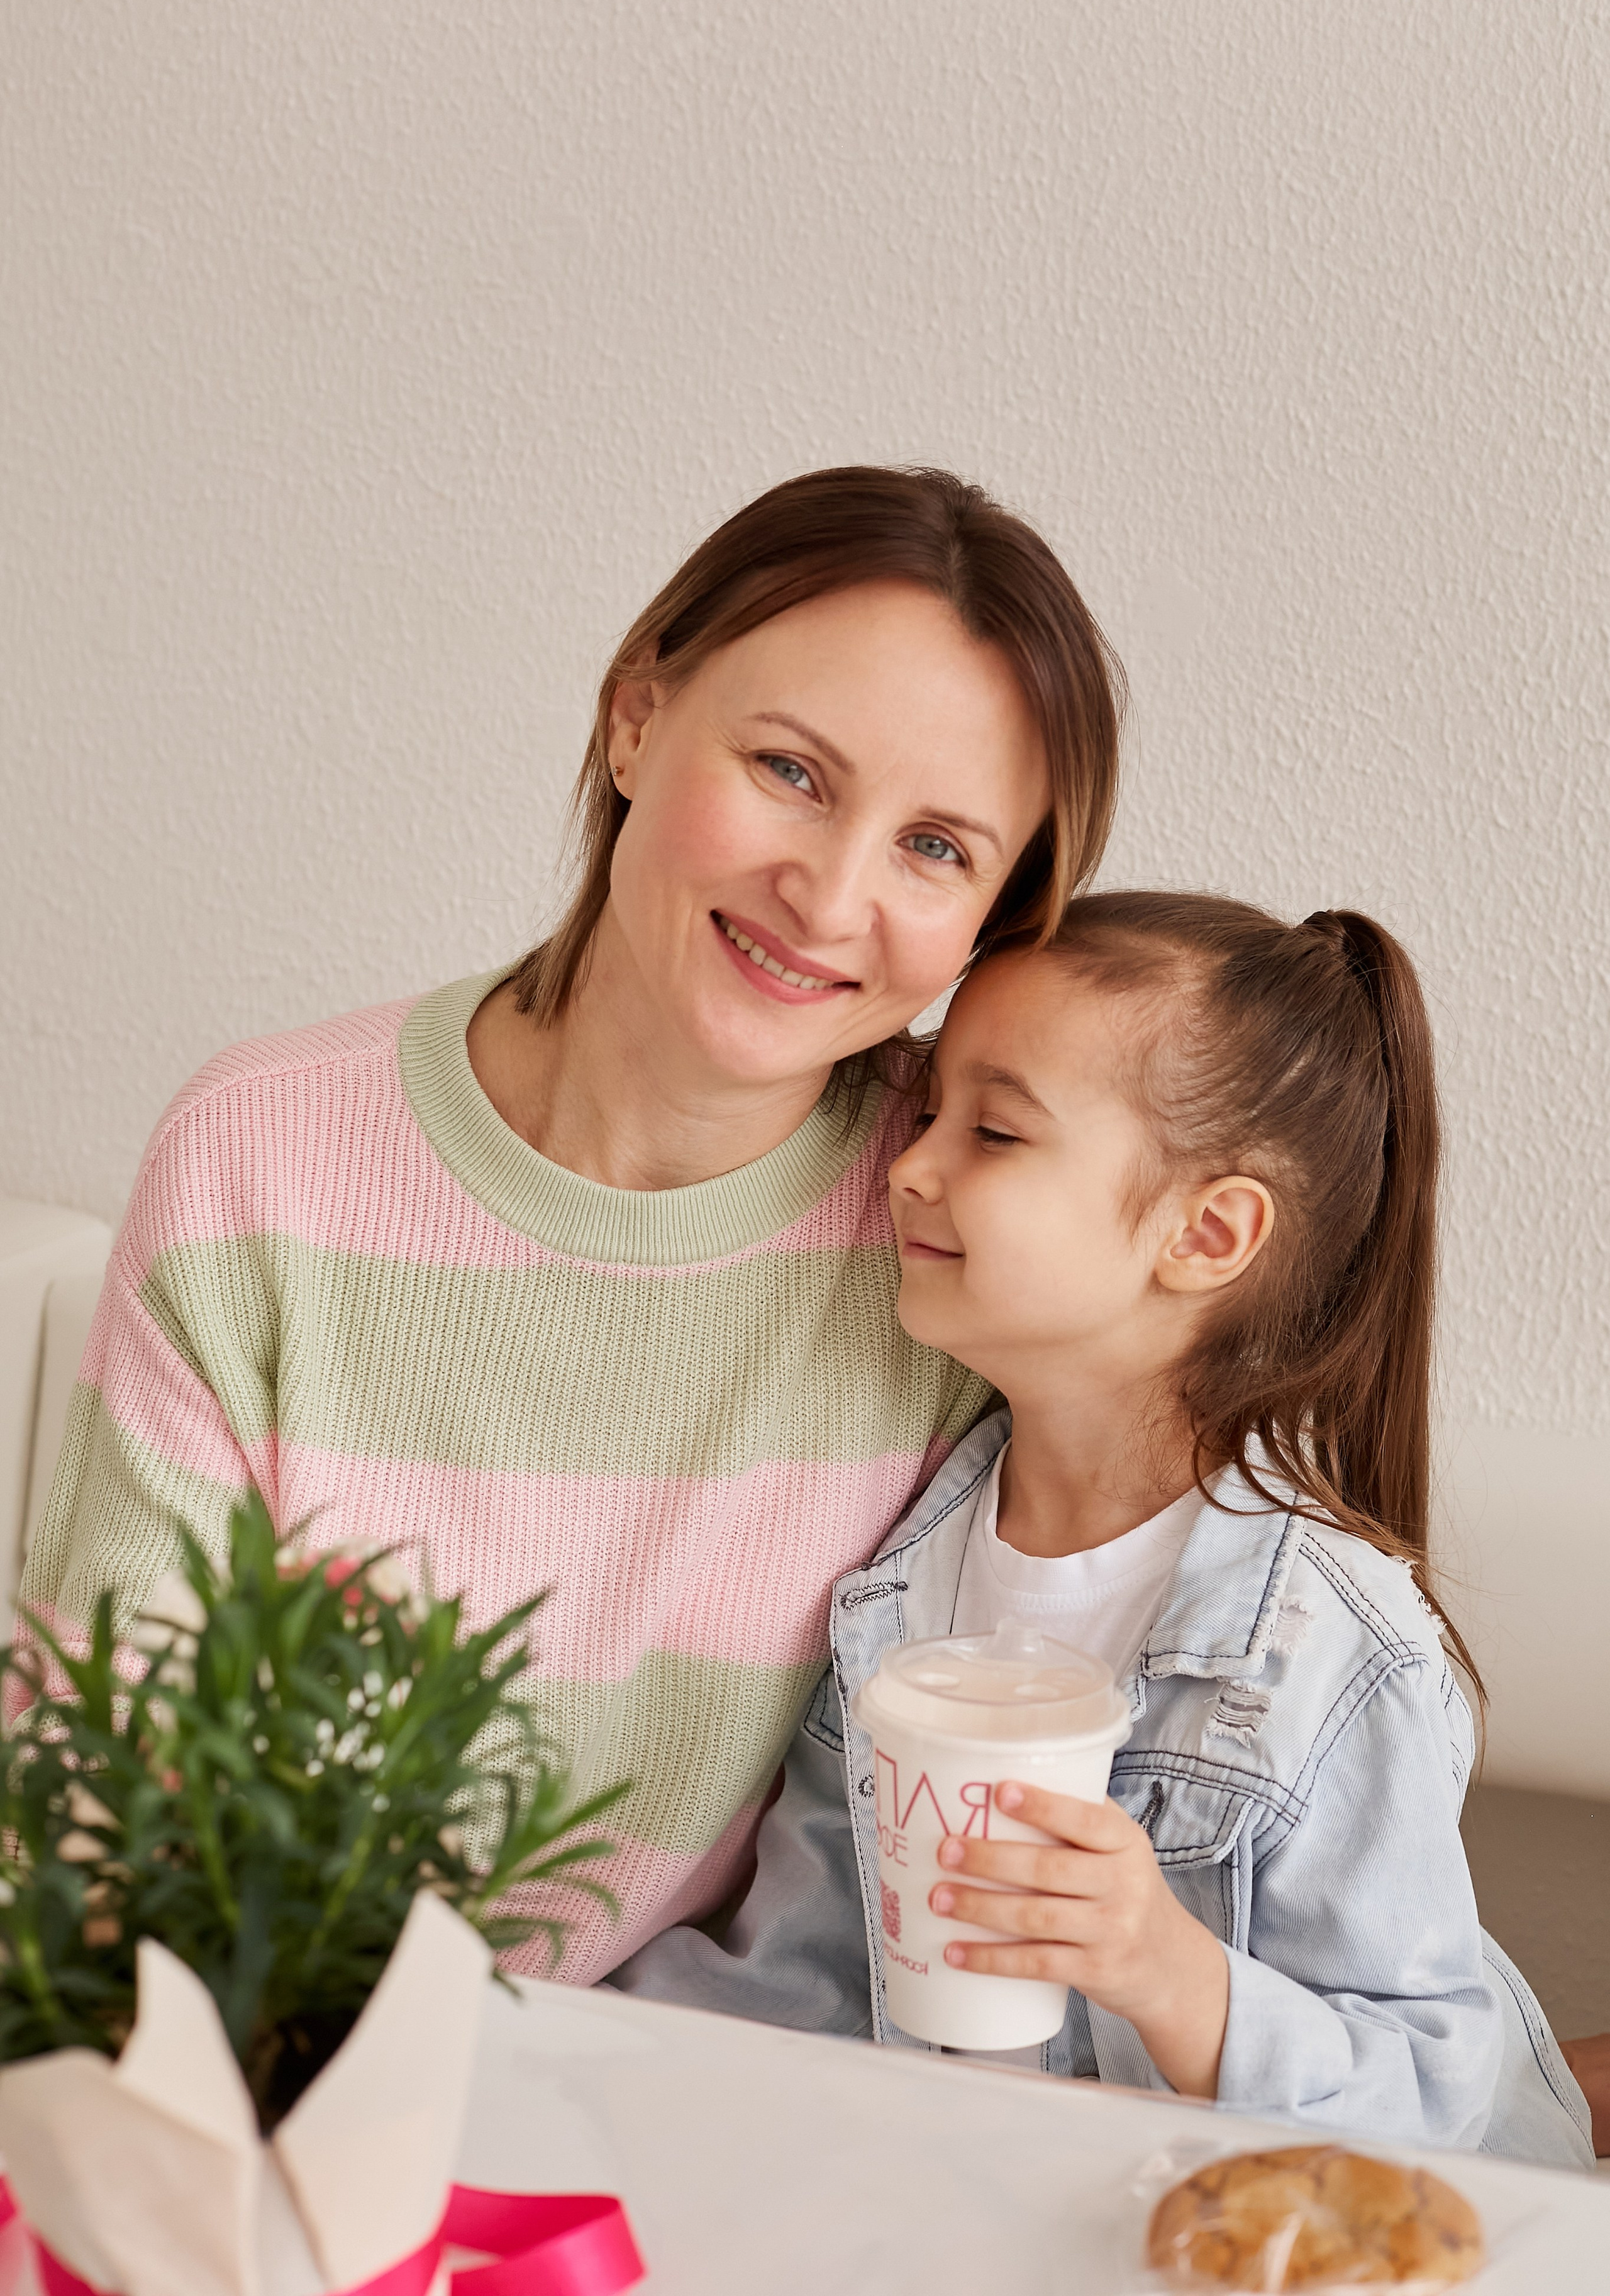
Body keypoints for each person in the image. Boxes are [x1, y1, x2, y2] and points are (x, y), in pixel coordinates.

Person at [16, 466, 1124, 1985]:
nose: (827, 892)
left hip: (728, 2103)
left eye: (936, 847)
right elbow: (100, 1809)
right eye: (792, 770)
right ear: (633, 718)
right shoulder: (259, 1159)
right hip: (261, 2071)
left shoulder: (949, 1226)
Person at [616, 891, 1595, 2167]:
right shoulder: (889, 1590)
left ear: (1204, 1233)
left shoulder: (1328, 1653)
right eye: (925, 1115)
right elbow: (789, 1981)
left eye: (995, 1131)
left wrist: (1163, 1968)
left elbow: (1428, 2098)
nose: (910, 1164)